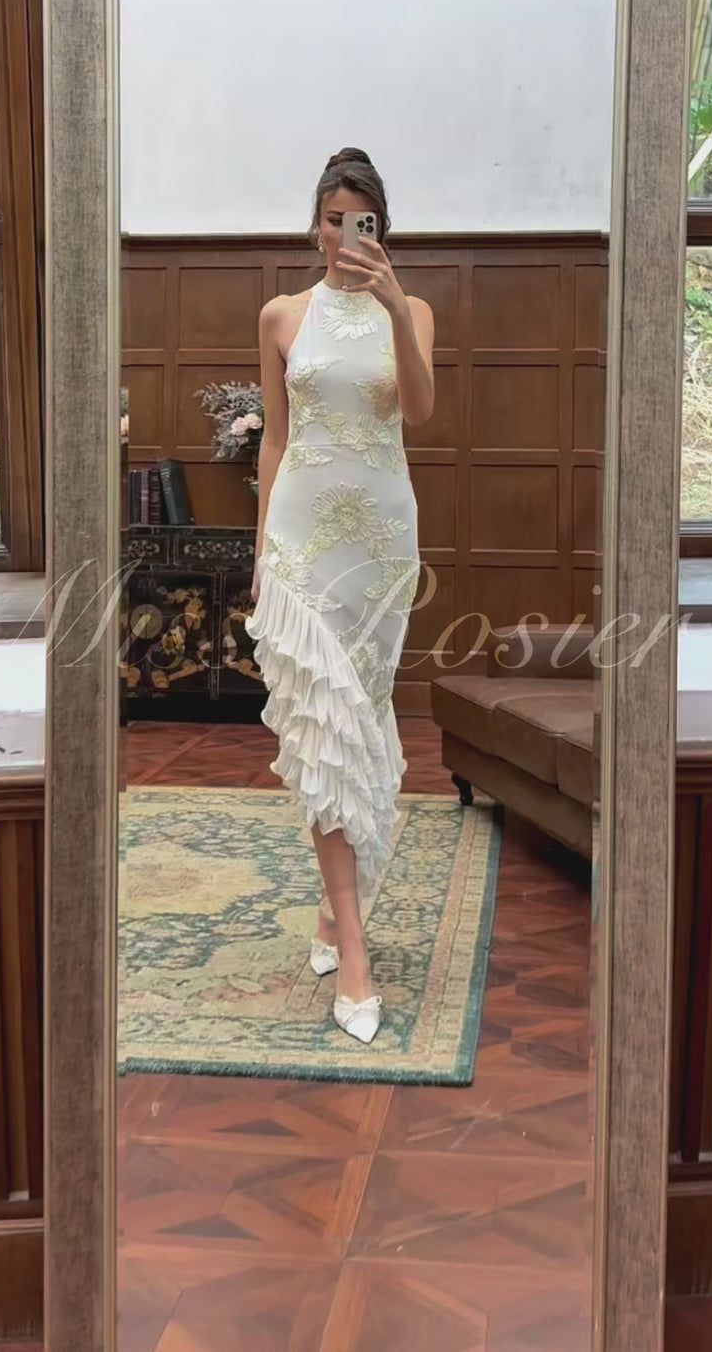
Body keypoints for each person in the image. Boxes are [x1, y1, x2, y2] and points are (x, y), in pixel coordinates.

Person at [246, 148, 435, 1044]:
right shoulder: (282, 315)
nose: (345, 234)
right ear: (315, 224)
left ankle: (333, 909)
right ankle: (352, 949)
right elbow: (274, 441)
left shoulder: (414, 310)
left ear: (381, 229)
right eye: (333, 218)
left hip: (381, 542)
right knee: (321, 730)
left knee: (363, 718)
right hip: (302, 540)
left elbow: (420, 413)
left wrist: (394, 305)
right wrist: (260, 554)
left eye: (362, 221)